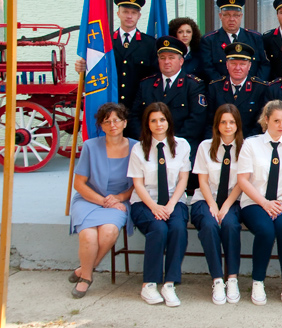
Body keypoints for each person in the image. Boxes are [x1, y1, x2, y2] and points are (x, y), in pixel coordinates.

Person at [68, 103, 136, 299]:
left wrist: (119, 198)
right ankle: (86, 277)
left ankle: (83, 270)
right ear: (101, 125)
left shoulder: (136, 147)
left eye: (116, 120)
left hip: (119, 200)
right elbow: (79, 184)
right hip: (89, 199)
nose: (112, 125)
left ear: (125, 123)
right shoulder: (90, 146)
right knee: (88, 236)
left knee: (108, 232)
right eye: (107, 121)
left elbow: (138, 184)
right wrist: (103, 201)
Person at [129, 103, 192, 307]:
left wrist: (171, 204)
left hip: (174, 201)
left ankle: (169, 283)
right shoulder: (138, 149)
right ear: (147, 124)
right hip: (145, 202)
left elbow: (183, 179)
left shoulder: (182, 145)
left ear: (168, 121)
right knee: (158, 228)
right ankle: (149, 284)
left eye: (162, 120)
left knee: (178, 228)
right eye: (153, 120)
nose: (158, 124)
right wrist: (154, 207)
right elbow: (138, 184)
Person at [237, 100, 282, 305]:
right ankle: (258, 281)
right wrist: (265, 203)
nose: (281, 125)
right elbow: (243, 180)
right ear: (266, 119)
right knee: (265, 230)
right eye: (276, 121)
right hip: (255, 202)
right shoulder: (251, 144)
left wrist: (281, 201)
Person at [74, 0, 157, 137]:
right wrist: (82, 69)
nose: (129, 16)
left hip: (138, 110)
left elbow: (154, 78)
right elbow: (95, 71)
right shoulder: (104, 43)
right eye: (125, 12)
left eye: (133, 13)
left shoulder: (150, 44)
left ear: (139, 16)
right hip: (111, 108)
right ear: (118, 13)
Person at [190, 104, 244, 305]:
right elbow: (202, 181)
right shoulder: (205, 147)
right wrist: (212, 205)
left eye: (232, 122)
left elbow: (242, 182)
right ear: (217, 125)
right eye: (223, 122)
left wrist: (226, 206)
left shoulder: (245, 148)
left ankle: (232, 279)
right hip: (205, 199)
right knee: (209, 224)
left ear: (237, 125)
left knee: (230, 225)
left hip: (233, 201)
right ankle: (218, 279)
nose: (228, 126)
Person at [129, 36, 207, 157]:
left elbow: (196, 120)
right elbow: (135, 116)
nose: (166, 62)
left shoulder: (193, 85)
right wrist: (148, 139)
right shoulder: (146, 85)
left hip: (181, 148)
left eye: (171, 57)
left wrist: (170, 142)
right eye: (162, 58)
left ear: (181, 61)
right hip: (150, 147)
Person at [200, 0, 270, 82]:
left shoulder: (255, 38)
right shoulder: (209, 40)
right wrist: (224, 86)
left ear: (241, 16)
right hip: (221, 88)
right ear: (220, 16)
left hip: (252, 88)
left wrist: (256, 85)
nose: (232, 19)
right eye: (227, 15)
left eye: (236, 15)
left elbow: (264, 65)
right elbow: (208, 69)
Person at [206, 42, 269, 138]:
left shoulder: (260, 88)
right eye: (233, 63)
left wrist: (246, 143)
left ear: (249, 66)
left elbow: (260, 124)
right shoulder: (215, 87)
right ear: (227, 65)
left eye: (242, 64)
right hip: (221, 141)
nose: (237, 68)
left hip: (249, 142)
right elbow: (209, 123)